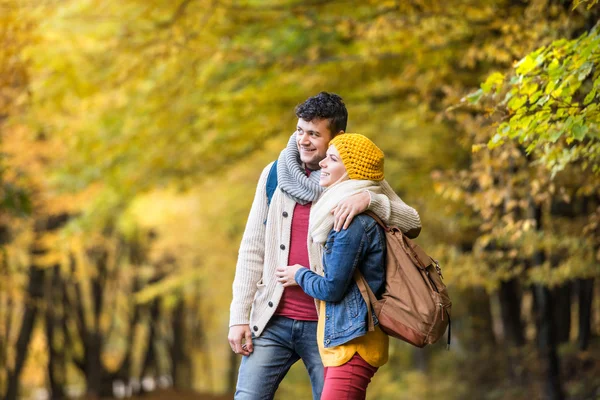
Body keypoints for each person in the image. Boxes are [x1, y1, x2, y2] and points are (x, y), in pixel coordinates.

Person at [228, 93, 421, 400]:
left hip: (329, 325)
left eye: (314, 134)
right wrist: (239, 316)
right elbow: (252, 247)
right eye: (300, 130)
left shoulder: (358, 181)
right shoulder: (274, 175)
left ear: (337, 137)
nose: (303, 140)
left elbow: (412, 222)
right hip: (271, 318)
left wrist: (372, 200)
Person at [275, 134, 391, 400]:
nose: (323, 164)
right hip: (347, 341)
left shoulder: (350, 222)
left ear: (351, 172)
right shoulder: (344, 210)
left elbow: (332, 289)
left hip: (354, 344)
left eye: (333, 159)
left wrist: (299, 274)